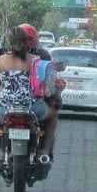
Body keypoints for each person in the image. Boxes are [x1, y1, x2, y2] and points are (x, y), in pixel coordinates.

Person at [0, 24, 47, 165]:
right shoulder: (36, 61)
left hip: (5, 109)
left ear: (9, 42)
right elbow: (43, 87)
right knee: (53, 114)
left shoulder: (0, 61)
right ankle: (45, 150)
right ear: (27, 41)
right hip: (33, 109)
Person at [25, 24, 62, 163]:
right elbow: (50, 91)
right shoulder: (42, 60)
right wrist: (58, 99)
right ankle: (46, 150)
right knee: (53, 114)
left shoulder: (7, 59)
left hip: (9, 107)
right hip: (35, 106)